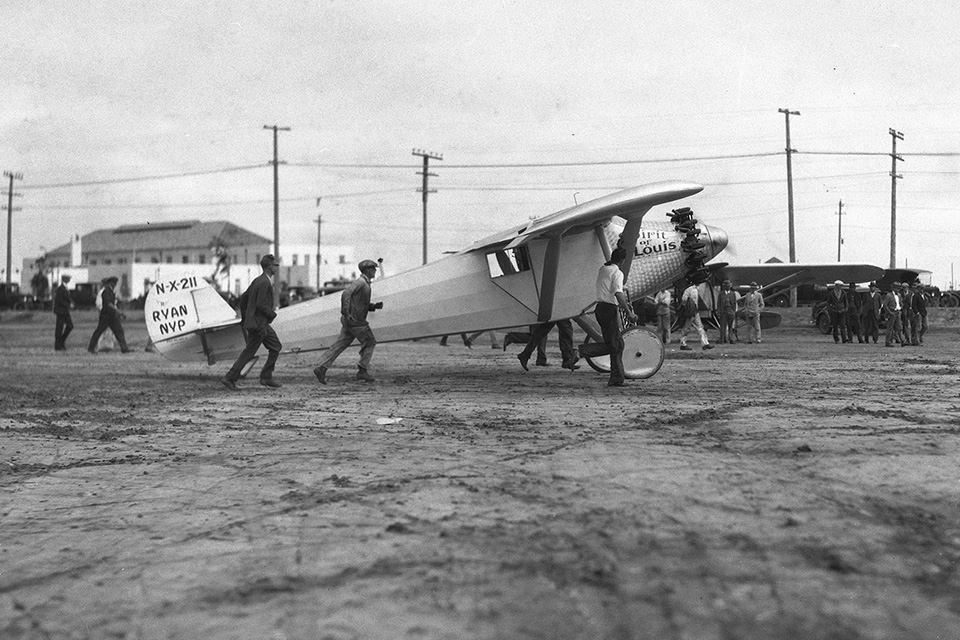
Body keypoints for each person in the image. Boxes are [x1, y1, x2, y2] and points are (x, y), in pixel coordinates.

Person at [314, 259, 383, 384]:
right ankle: (362, 371)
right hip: (356, 321)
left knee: (340, 345)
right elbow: (346, 294)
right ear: (367, 270)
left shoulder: (364, 283)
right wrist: (345, 312)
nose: (375, 271)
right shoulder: (361, 282)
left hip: (350, 320)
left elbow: (360, 303)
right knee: (370, 342)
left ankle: (321, 368)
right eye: (373, 269)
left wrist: (373, 306)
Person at [577, 247, 638, 387]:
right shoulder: (617, 273)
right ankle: (581, 352)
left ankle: (617, 376)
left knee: (615, 344)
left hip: (600, 308)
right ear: (623, 261)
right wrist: (629, 312)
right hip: (609, 308)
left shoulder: (603, 270)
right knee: (616, 345)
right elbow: (618, 293)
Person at [221, 254, 283, 390]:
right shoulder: (265, 282)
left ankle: (266, 377)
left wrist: (246, 318)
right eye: (275, 266)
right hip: (259, 325)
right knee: (249, 352)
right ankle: (229, 378)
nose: (276, 268)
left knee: (276, 347)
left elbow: (244, 298)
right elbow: (261, 304)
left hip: (259, 324)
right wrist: (272, 314)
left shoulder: (258, 280)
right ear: (269, 267)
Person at [87, 276, 130, 354]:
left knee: (119, 331)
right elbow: (108, 304)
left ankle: (124, 348)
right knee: (99, 331)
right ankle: (91, 348)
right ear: (111, 283)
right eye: (114, 283)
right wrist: (118, 312)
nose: (115, 285)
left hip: (112, 316)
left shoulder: (111, 291)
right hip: (106, 316)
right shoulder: (106, 292)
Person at [678, 282, 714, 351]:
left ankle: (705, 343)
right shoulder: (689, 290)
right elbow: (684, 300)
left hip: (695, 311)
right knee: (687, 328)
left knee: (700, 327)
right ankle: (683, 343)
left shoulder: (695, 289)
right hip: (691, 312)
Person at [53, 274, 74, 351]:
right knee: (59, 328)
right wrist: (69, 305)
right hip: (61, 311)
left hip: (64, 311)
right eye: (68, 278)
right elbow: (60, 301)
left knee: (70, 326)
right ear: (65, 279)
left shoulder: (65, 288)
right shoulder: (61, 289)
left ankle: (61, 342)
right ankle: (58, 345)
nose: (69, 279)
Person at [716, 279, 738, 344]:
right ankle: (722, 340)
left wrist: (733, 311)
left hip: (730, 311)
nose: (727, 287)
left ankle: (731, 339)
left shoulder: (733, 294)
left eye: (728, 286)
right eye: (726, 286)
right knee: (723, 327)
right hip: (723, 312)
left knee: (731, 326)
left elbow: (734, 303)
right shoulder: (721, 294)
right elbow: (718, 304)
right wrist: (719, 311)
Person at [883, 282, 903, 347]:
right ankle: (887, 342)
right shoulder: (889, 295)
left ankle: (901, 340)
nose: (898, 290)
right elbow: (885, 305)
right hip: (892, 312)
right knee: (890, 328)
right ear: (893, 288)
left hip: (897, 312)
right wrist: (889, 312)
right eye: (897, 288)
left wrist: (900, 308)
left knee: (899, 327)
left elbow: (900, 303)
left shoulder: (899, 295)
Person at [911, 281, 927, 346]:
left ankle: (919, 337)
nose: (922, 289)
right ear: (918, 288)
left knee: (925, 326)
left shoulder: (923, 295)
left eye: (923, 288)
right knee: (918, 327)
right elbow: (913, 305)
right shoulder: (915, 295)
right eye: (921, 288)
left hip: (924, 313)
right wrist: (917, 312)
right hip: (919, 313)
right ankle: (916, 341)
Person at [899, 282, 914, 347]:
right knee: (905, 325)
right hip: (903, 310)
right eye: (903, 288)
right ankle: (907, 339)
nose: (904, 289)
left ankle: (911, 339)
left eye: (905, 287)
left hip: (910, 310)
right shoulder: (900, 294)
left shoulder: (911, 294)